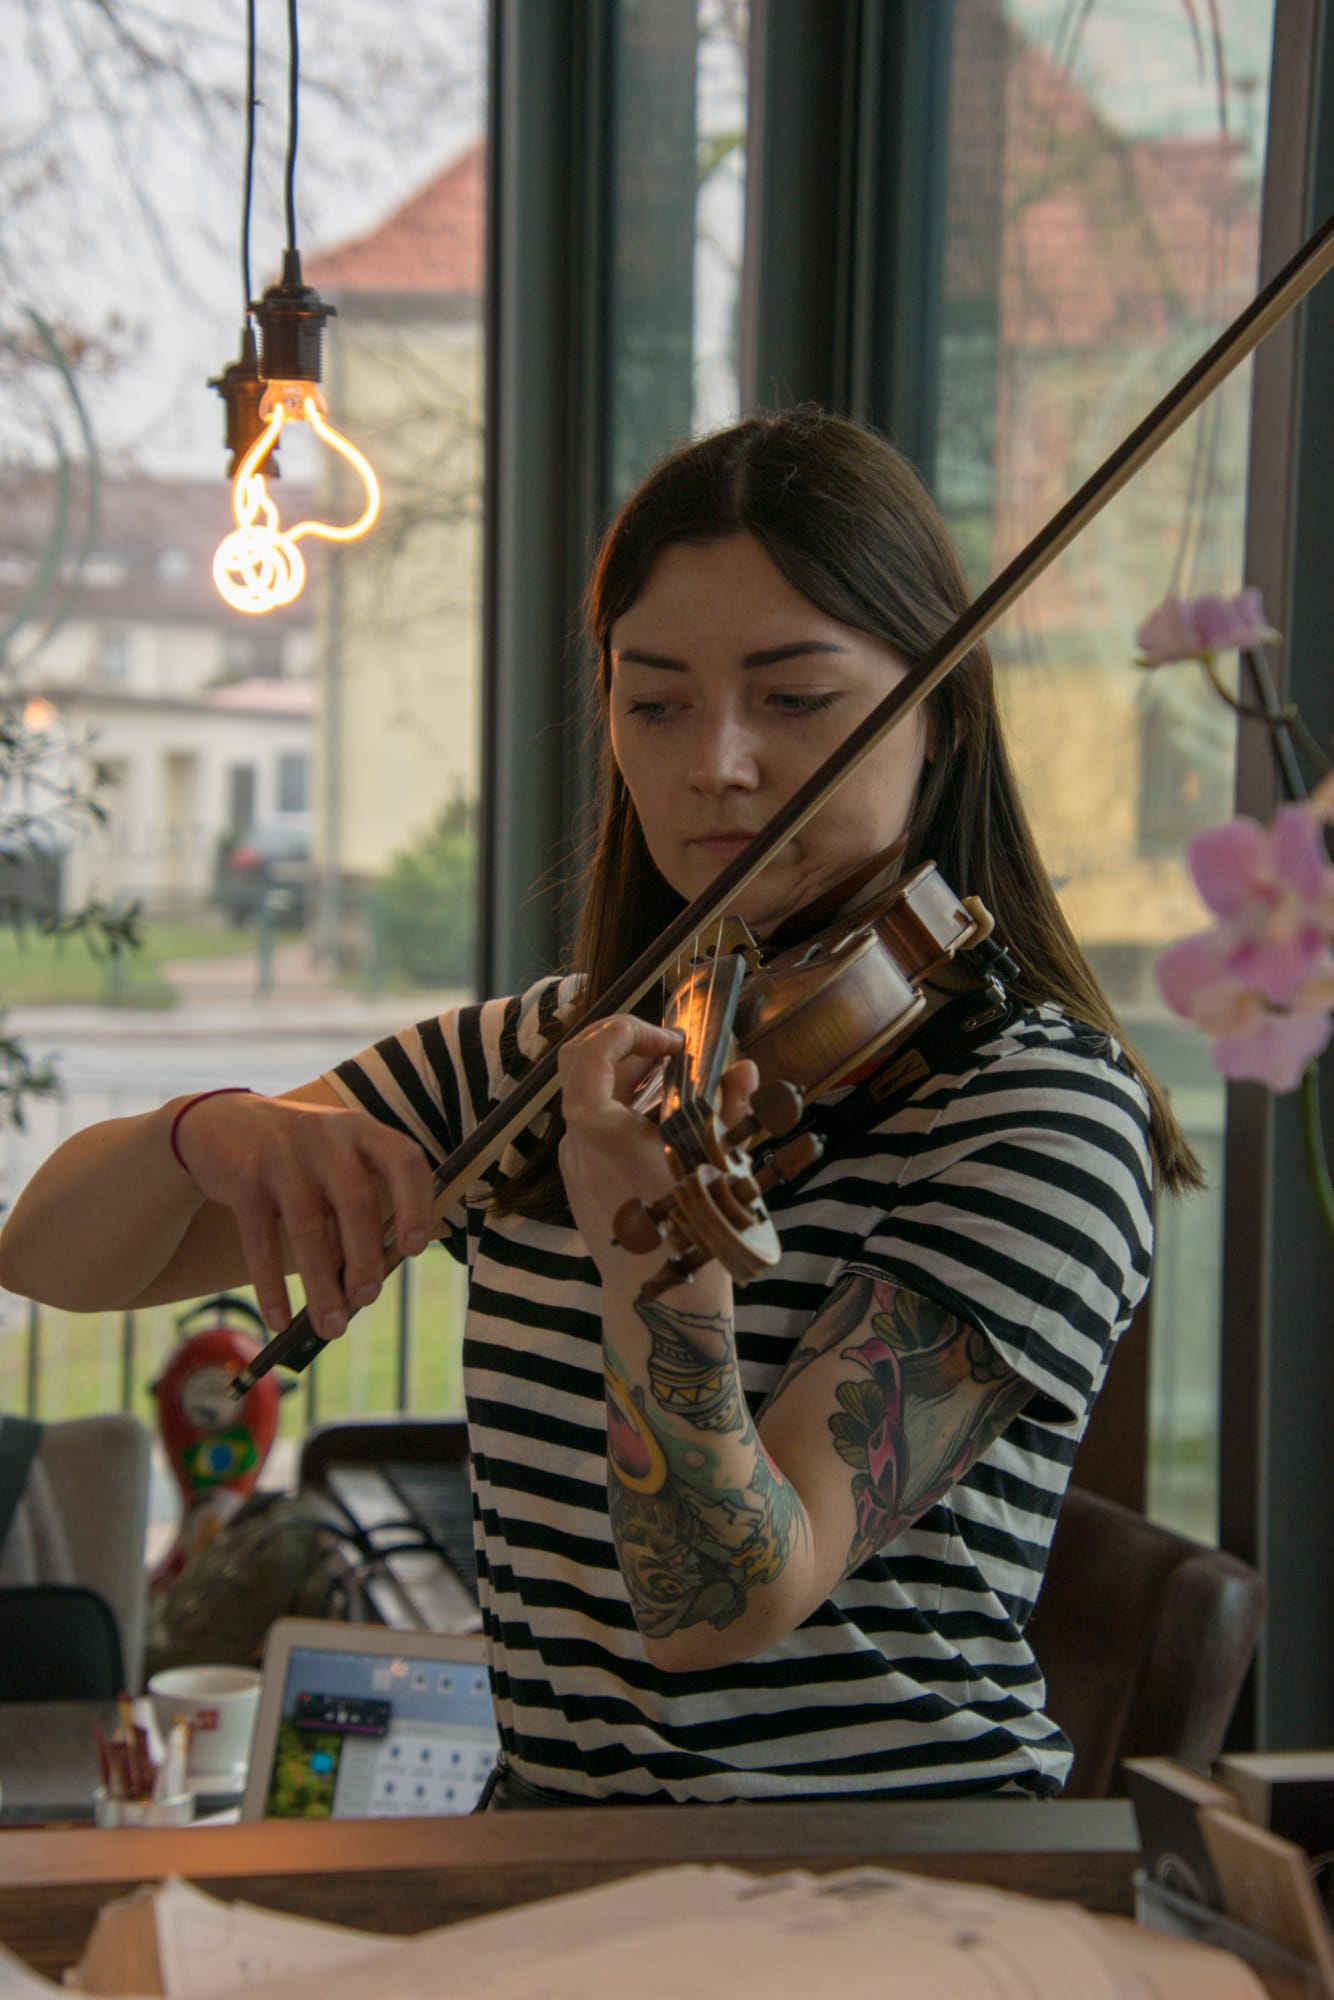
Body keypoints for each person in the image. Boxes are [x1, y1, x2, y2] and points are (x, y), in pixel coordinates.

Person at [0, 408, 1199, 1805]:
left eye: (796, 698)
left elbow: (721, 1606)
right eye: (656, 701)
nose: (718, 764)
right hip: (561, 1851)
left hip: (881, 1880)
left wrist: (655, 1261)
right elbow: (51, 1256)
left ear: (936, 713)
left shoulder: (1036, 1108)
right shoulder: (552, 1052)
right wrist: (208, 1131)